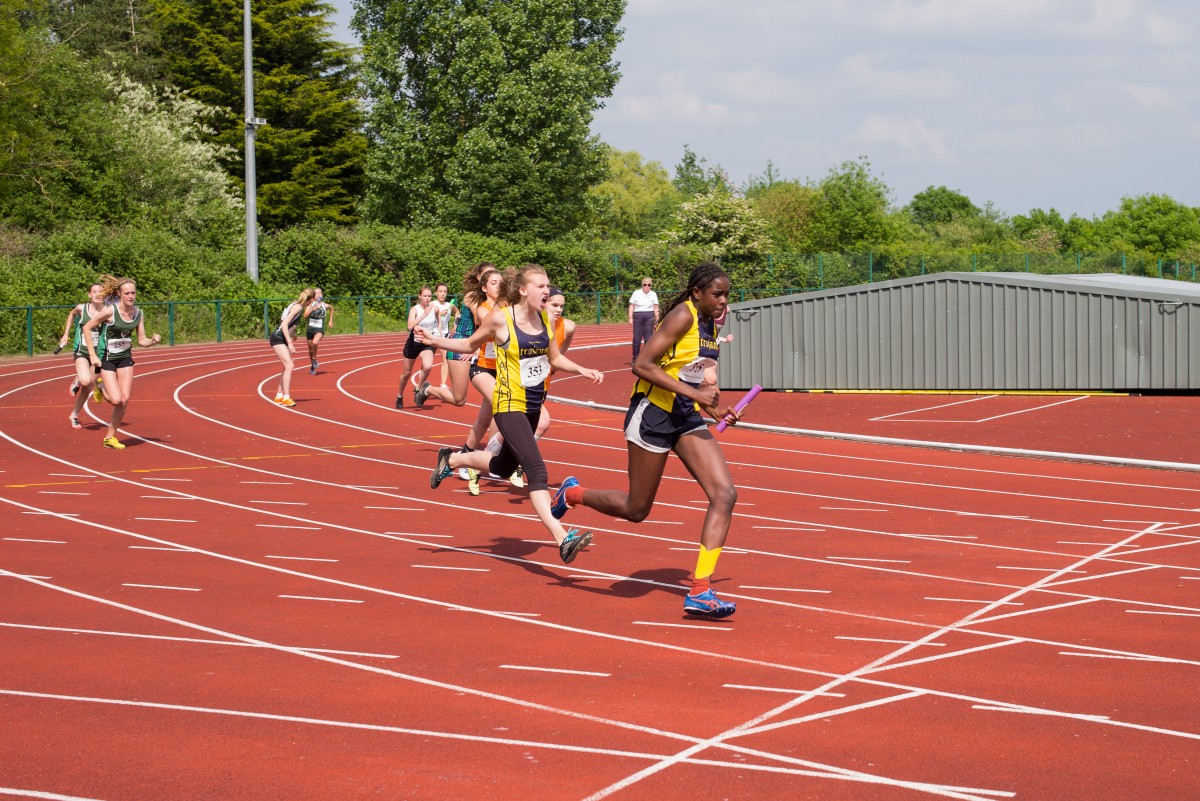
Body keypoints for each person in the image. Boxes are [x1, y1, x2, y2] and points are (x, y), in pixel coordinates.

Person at [551, 263, 743, 617]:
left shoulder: (708, 326)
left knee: (725, 494)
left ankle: (700, 590)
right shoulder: (681, 316)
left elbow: (693, 374)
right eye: (717, 294)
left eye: (727, 295)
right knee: (636, 510)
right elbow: (642, 364)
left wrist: (713, 406)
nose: (723, 301)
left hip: (684, 416)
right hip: (652, 414)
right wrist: (696, 394)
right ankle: (572, 494)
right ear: (697, 293)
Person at [418, 264, 604, 564]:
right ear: (522, 290)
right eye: (541, 286)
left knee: (503, 468)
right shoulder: (500, 320)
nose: (547, 291)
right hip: (507, 403)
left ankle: (451, 459)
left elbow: (555, 357)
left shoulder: (544, 318)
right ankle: (562, 538)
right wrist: (434, 340)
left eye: (548, 285)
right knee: (537, 470)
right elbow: (468, 344)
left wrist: (582, 369)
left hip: (532, 404)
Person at [470, 285, 576, 495]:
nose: (558, 310)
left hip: (540, 388)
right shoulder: (523, 323)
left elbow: (561, 350)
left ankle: (479, 465)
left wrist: (557, 360)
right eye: (553, 304)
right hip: (516, 389)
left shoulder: (567, 326)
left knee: (507, 446)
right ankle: (514, 464)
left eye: (561, 306)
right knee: (539, 426)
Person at [418, 266, 503, 460]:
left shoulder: (498, 300)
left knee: (494, 404)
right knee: (459, 400)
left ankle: (487, 455)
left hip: (480, 348)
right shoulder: (473, 297)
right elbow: (481, 321)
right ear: (479, 278)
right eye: (488, 276)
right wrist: (473, 347)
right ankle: (428, 389)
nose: (494, 280)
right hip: (462, 346)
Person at [81, 275, 162, 449]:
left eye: (133, 293)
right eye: (127, 293)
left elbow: (142, 340)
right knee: (116, 400)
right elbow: (86, 327)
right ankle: (100, 386)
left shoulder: (138, 313)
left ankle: (110, 438)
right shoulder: (110, 311)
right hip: (107, 358)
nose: (131, 296)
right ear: (119, 294)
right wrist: (93, 355)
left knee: (124, 400)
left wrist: (153, 341)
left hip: (125, 358)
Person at [59, 282, 109, 429]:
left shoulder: (107, 311)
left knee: (88, 388)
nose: (98, 294)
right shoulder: (82, 308)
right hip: (82, 351)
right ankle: (80, 379)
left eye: (100, 291)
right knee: (86, 381)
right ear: (89, 294)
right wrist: (66, 333)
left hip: (97, 354)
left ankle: (74, 415)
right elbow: (71, 315)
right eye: (94, 291)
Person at [268, 288, 316, 407]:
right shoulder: (298, 307)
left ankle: (279, 396)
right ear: (311, 300)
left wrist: (292, 333)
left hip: (281, 336)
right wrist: (289, 342)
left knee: (287, 366)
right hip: (278, 338)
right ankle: (286, 398)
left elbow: (285, 321)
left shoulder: (295, 304)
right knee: (289, 365)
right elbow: (284, 323)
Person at [396, 286, 440, 409]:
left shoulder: (434, 309)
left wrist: (439, 335)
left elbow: (439, 321)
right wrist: (424, 315)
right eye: (425, 296)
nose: (427, 298)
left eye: (429, 296)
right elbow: (409, 326)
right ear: (420, 296)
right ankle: (400, 395)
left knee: (427, 366)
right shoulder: (414, 310)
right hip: (413, 343)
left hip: (426, 343)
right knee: (406, 373)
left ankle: (418, 388)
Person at [628, 276, 659, 362]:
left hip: (649, 315)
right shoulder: (636, 293)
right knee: (636, 339)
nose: (647, 287)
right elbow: (632, 305)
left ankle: (647, 358)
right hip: (638, 315)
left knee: (648, 339)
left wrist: (657, 319)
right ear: (642, 285)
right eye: (645, 285)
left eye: (649, 285)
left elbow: (656, 307)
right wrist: (630, 317)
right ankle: (635, 358)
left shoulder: (653, 294)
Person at [303, 288, 333, 374]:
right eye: (316, 293)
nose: (319, 294)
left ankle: (314, 358)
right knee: (310, 350)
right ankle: (312, 365)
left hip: (319, 329)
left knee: (315, 343)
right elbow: (305, 316)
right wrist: (312, 309)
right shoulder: (310, 304)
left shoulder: (325, 305)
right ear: (313, 296)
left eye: (320, 293)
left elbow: (331, 308)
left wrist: (330, 320)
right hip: (310, 330)